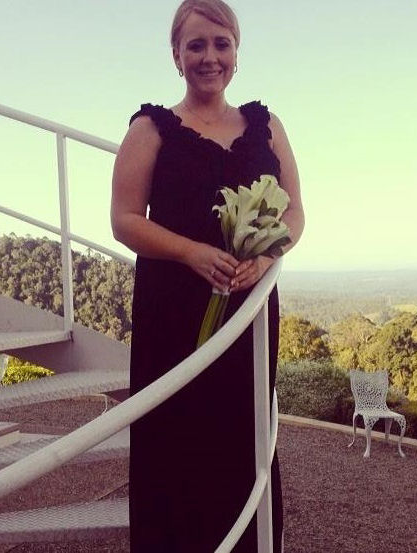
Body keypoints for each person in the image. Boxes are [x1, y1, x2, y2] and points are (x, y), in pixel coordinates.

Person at [111, 0, 304, 551]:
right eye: (195, 45)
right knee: (175, 437)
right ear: (176, 55)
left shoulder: (266, 127)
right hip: (173, 312)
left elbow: (294, 213)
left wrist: (265, 256)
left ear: (237, 53)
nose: (209, 57)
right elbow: (124, 220)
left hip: (247, 312)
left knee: (243, 432)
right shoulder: (151, 129)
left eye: (221, 44)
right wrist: (191, 253)